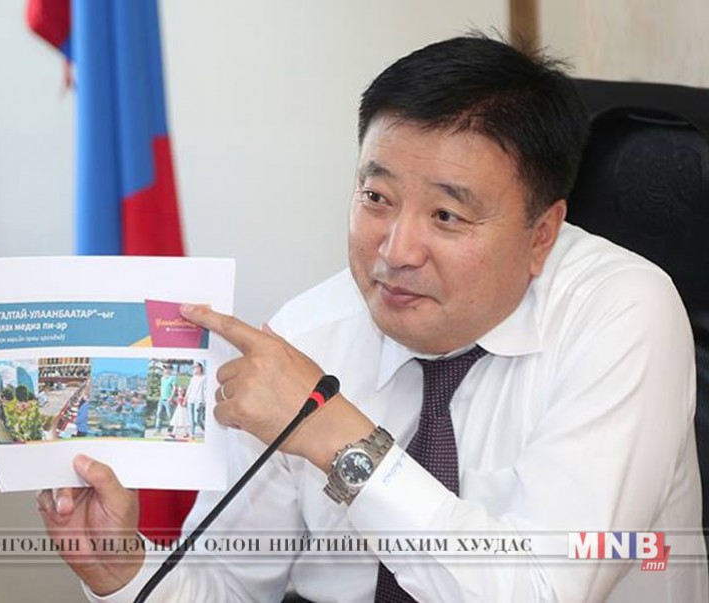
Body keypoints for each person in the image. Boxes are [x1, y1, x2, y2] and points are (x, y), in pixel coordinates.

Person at [37, 35, 707, 602]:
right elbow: (230, 581)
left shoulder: (623, 315)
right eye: (377, 197)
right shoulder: (310, 333)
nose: (396, 250)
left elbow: (540, 588)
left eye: (446, 215)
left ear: (542, 235)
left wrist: (336, 437)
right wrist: (124, 570)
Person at [185, 362, 207, 439]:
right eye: (193, 367)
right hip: (190, 400)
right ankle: (192, 434)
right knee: (191, 418)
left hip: (199, 400)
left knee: (197, 419)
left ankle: (205, 430)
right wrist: (185, 398)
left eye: (195, 367)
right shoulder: (193, 378)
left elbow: (205, 389)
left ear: (200, 368)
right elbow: (189, 388)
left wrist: (205, 401)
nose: (194, 368)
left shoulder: (204, 378)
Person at [155, 362, 177, 432]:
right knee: (158, 414)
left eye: (167, 368)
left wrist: (171, 397)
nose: (166, 370)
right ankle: (158, 429)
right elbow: (161, 387)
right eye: (165, 368)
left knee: (170, 415)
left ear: (171, 370)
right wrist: (160, 396)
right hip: (161, 399)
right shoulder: (162, 378)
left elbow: (174, 388)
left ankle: (171, 430)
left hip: (168, 400)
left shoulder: (173, 378)